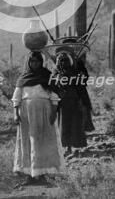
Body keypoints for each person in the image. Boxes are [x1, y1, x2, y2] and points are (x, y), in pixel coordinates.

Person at [12, 51, 65, 184]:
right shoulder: (23, 78)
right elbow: (17, 97)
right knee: (28, 142)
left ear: (41, 62)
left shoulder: (48, 76)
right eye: (32, 61)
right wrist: (15, 113)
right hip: (26, 114)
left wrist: (53, 112)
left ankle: (42, 174)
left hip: (44, 113)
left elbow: (54, 96)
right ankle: (30, 175)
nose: (34, 64)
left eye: (37, 61)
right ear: (29, 63)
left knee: (42, 141)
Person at [52, 51, 92, 154]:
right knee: (64, 125)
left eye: (65, 60)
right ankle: (67, 147)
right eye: (61, 60)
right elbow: (53, 83)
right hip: (63, 103)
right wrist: (57, 79)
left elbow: (83, 82)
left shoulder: (77, 68)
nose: (63, 62)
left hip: (75, 100)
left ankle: (75, 145)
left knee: (76, 124)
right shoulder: (57, 72)